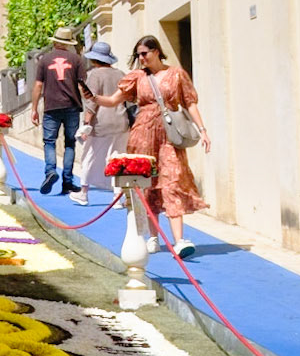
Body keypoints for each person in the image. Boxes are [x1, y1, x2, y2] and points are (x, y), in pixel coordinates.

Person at [89, 33, 211, 255]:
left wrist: (202, 130)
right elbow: (114, 100)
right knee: (149, 186)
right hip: (143, 134)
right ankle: (154, 237)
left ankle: (179, 240)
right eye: (138, 55)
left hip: (169, 135)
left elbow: (190, 103)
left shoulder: (176, 74)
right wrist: (94, 98)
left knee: (172, 182)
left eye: (144, 54)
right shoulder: (136, 77)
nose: (142, 59)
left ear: (156, 51)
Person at [30, 25, 88, 196]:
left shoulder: (45, 60)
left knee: (49, 142)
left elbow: (38, 85)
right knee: (70, 143)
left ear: (55, 42)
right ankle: (67, 182)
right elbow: (82, 85)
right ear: (69, 43)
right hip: (72, 106)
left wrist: (34, 109)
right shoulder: (77, 60)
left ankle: (50, 172)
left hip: (51, 106)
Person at [71, 38, 126, 205]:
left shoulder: (94, 75)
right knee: (117, 158)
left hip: (101, 122)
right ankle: (117, 197)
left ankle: (84, 192)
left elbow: (91, 100)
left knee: (90, 156)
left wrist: (87, 122)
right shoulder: (121, 74)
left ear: (94, 59)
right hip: (121, 121)